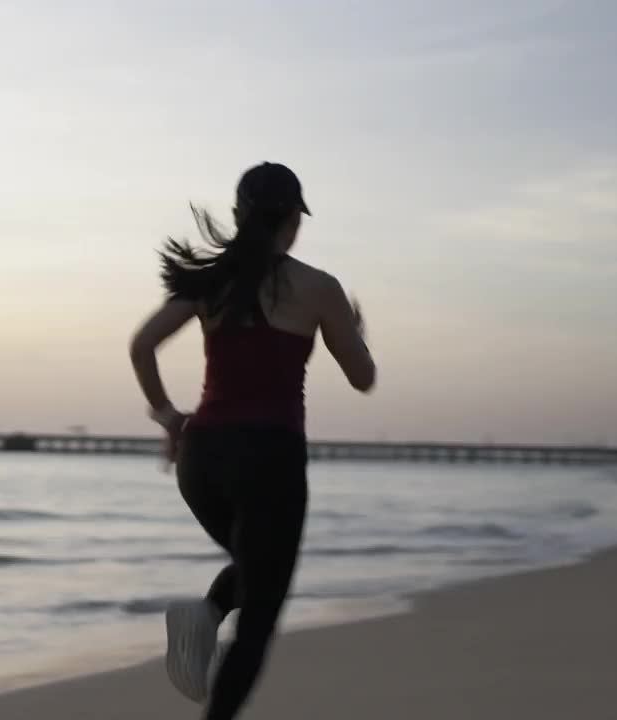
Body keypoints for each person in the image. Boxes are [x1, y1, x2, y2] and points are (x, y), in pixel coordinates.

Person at [128, 161, 376, 719]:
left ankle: (208, 613)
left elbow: (142, 345)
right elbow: (363, 378)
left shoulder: (212, 282)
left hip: (203, 459)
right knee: (261, 612)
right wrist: (352, 331)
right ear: (293, 220)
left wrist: (170, 418)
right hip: (270, 460)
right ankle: (210, 618)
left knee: (257, 566)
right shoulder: (319, 288)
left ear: (239, 217)